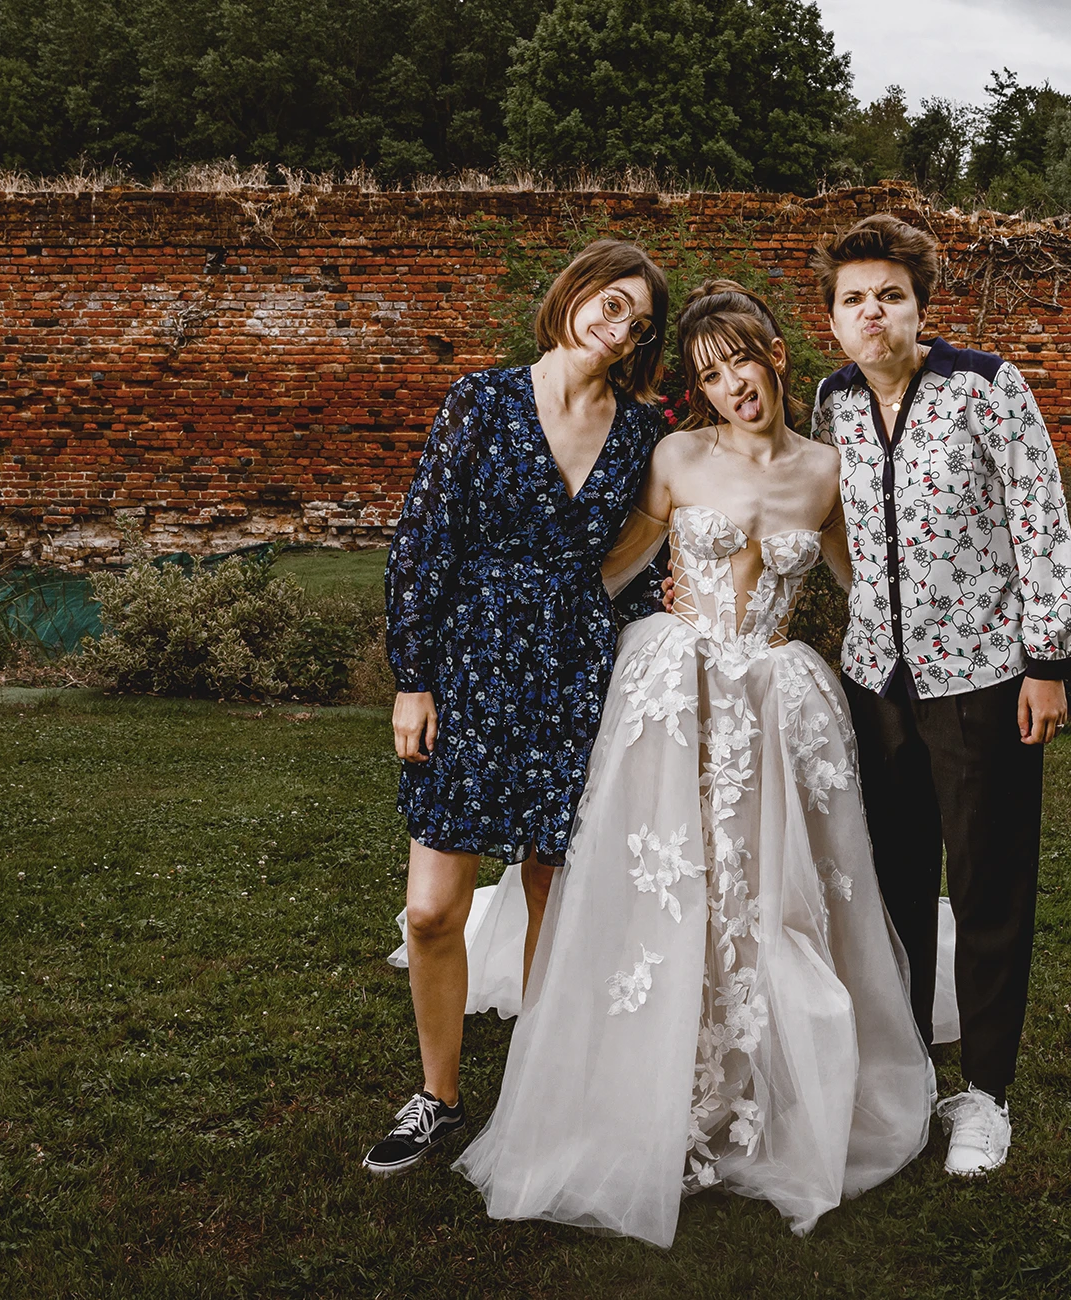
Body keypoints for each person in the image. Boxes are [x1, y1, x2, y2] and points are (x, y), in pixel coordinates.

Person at [453, 281, 934, 1248]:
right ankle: (656, 1081)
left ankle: (763, 1079)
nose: (730, 388)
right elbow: (610, 564)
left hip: (777, 700)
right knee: (667, 881)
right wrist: (504, 638)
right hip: (675, 692)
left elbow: (867, 588)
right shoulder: (675, 456)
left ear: (774, 360)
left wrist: (947, 670)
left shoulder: (827, 472)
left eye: (741, 364)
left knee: (773, 888)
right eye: (709, 375)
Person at [361, 239, 670, 1177]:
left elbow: (651, 555)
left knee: (551, 897)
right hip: (471, 667)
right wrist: (412, 679)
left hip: (578, 666)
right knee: (429, 909)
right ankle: (437, 1097)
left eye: (637, 324)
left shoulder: (643, 430)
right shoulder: (482, 399)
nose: (617, 330)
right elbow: (422, 541)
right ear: (574, 295)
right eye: (609, 306)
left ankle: (538, 1099)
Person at [807, 214, 1071, 1179]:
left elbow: (1039, 518)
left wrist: (1045, 659)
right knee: (894, 885)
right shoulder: (832, 401)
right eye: (853, 299)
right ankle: (910, 1072)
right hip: (876, 678)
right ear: (832, 318)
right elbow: (823, 520)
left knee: (990, 882)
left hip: (985, 681)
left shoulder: (985, 386)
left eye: (889, 294)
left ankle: (988, 1096)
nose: (871, 311)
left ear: (920, 304)